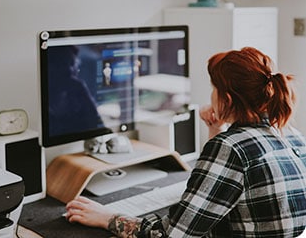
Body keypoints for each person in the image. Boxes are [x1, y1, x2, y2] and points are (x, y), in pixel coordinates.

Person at [65, 47, 306, 237]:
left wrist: (107, 217)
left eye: (214, 89)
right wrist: (216, 129)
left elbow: (170, 235)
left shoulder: (231, 147)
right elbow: (224, 189)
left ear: (227, 99)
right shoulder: (291, 134)